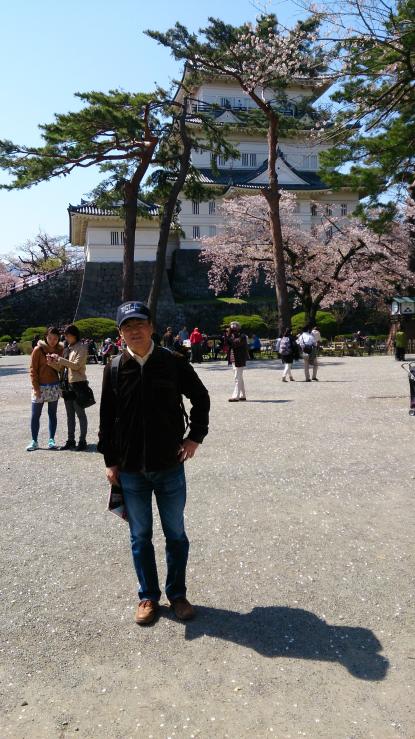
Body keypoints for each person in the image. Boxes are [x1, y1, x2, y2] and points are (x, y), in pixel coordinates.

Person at [98, 301, 210, 625]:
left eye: (139, 324)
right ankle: (147, 596)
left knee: (176, 534)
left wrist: (195, 437)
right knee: (140, 536)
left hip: (169, 464)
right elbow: (107, 418)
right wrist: (110, 461)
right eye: (127, 326)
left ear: (151, 327)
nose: (134, 331)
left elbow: (200, 397)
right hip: (131, 469)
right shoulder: (114, 368)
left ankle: (177, 594)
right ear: (120, 333)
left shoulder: (173, 362)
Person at [47, 324, 89, 450]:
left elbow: (76, 365)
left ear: (74, 335)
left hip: (78, 384)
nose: (65, 338)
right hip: (66, 385)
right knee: (70, 415)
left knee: (80, 414)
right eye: (65, 335)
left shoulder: (82, 347)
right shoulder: (67, 348)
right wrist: (51, 363)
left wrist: (59, 359)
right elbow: (62, 368)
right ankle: (71, 440)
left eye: (67, 335)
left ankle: (82, 441)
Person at [26, 326, 64, 451]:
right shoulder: (38, 350)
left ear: (58, 339)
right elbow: (33, 370)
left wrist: (55, 362)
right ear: (45, 337)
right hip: (40, 386)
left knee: (52, 414)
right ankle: (34, 441)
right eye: (50, 338)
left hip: (54, 385)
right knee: (35, 415)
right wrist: (36, 388)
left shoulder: (60, 350)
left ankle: (51, 440)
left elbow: (62, 369)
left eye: (55, 338)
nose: (52, 341)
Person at [226, 321, 248, 401]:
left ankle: (236, 396)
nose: (233, 330)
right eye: (232, 328)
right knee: (239, 377)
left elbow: (235, 344)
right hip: (233, 359)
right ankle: (242, 395)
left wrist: (231, 337)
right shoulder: (231, 336)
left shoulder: (242, 336)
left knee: (237, 377)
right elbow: (227, 343)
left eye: (234, 328)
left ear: (238, 328)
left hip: (239, 359)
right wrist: (229, 335)